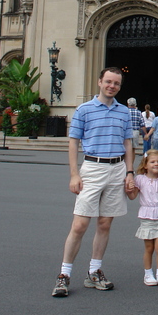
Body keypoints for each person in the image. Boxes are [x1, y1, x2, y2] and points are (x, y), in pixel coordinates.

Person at [52, 68, 135, 298]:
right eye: (108, 81)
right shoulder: (84, 109)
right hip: (93, 167)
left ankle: (94, 271)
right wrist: (74, 174)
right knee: (79, 225)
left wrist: (130, 172)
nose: (112, 86)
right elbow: (73, 143)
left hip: (117, 167)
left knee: (105, 223)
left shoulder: (124, 112)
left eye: (116, 83)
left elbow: (128, 143)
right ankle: (64, 274)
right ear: (99, 82)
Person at [126, 149, 158, 287]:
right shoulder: (140, 179)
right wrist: (128, 189)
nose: (156, 164)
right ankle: (148, 273)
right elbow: (132, 197)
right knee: (149, 248)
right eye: (153, 162)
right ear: (146, 165)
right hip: (146, 216)